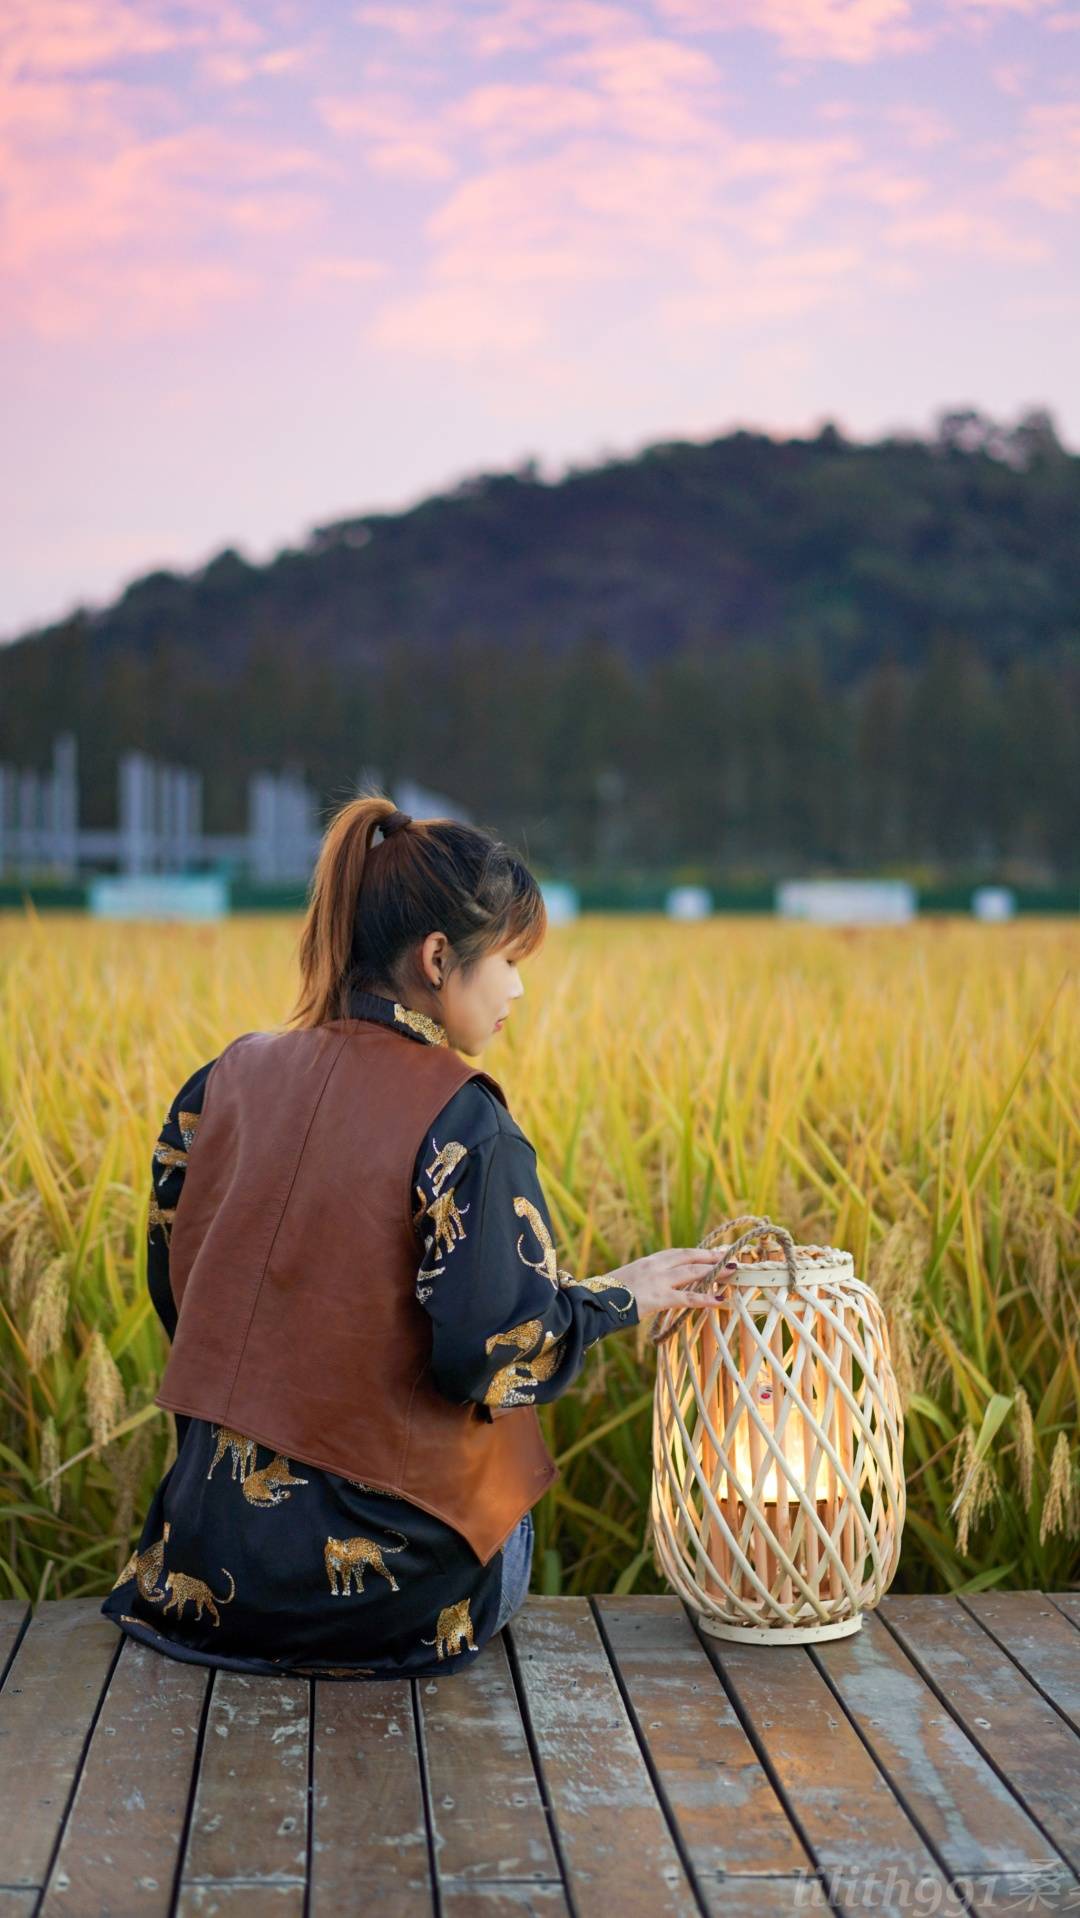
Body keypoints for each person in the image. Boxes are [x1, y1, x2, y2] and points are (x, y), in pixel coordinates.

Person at [100, 795, 735, 1680]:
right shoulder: (465, 1121)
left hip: (194, 1571)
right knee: (501, 1465)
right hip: (387, 1607)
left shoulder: (220, 1081)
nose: (517, 987)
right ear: (439, 960)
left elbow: (181, 1290)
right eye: (509, 960)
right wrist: (617, 1298)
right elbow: (490, 1358)